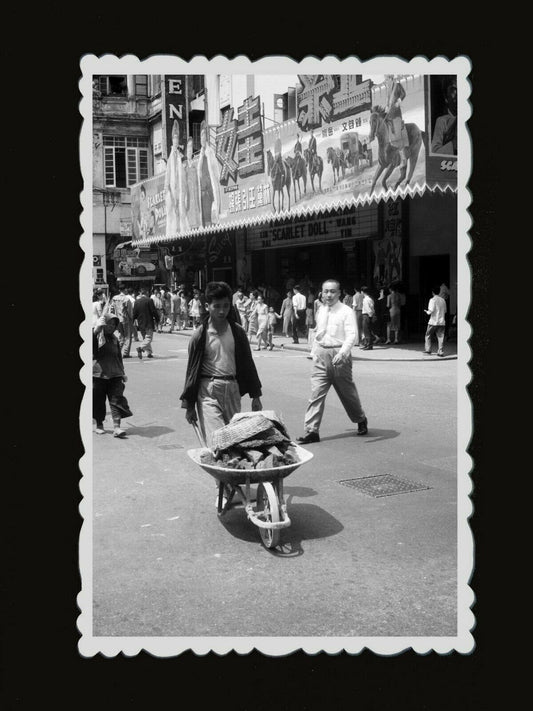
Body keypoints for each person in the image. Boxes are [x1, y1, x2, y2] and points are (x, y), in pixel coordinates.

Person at [180, 281, 263, 448]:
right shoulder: (199, 336)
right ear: (207, 306)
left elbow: (248, 364)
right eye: (216, 306)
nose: (222, 311)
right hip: (208, 390)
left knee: (233, 441)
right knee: (217, 441)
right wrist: (189, 405)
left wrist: (256, 396)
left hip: (233, 389)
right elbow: (192, 371)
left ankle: (231, 473)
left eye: (226, 306)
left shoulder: (237, 331)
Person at [296, 279, 368, 444]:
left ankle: (360, 418)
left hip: (339, 355)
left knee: (347, 394)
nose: (328, 295)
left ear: (339, 293)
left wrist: (343, 353)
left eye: (332, 291)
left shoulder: (346, 311)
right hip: (321, 355)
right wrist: (314, 353)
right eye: (326, 291)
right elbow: (318, 332)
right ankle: (311, 431)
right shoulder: (320, 310)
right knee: (315, 394)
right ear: (321, 292)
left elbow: (352, 335)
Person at [93, 312, 133, 438]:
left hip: (115, 374)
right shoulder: (98, 337)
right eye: (109, 324)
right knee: (98, 401)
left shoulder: (115, 339)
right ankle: (99, 425)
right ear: (104, 324)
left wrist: (122, 372)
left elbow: (118, 357)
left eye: (114, 324)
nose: (111, 326)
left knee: (117, 400)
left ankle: (117, 427)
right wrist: (95, 331)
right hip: (98, 375)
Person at [165, 120, 187, 238]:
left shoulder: (181, 156)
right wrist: (168, 191)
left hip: (181, 189)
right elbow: (167, 178)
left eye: (177, 139)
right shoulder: (170, 159)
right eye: (174, 139)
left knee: (182, 212)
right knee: (173, 213)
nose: (176, 141)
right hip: (172, 191)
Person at [197, 120, 220, 227]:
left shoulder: (211, 153)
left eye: (203, 135)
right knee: (206, 220)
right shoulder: (200, 157)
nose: (202, 138)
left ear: (206, 137)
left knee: (214, 219)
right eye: (200, 136)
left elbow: (216, 173)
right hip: (203, 194)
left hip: (211, 192)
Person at [384, 74, 408, 171]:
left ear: (391, 78)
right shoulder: (389, 89)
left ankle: (404, 159)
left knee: (397, 137)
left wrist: (399, 101)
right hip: (389, 115)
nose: (385, 81)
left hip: (397, 115)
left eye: (386, 79)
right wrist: (386, 107)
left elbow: (403, 94)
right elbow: (388, 101)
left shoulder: (397, 85)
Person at [431, 78, 457, 155]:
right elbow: (435, 153)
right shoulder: (442, 121)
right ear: (446, 97)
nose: (458, 93)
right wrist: (454, 143)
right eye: (453, 89)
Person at [132, 287, 158, 359]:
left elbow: (134, 313)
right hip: (148, 322)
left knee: (145, 338)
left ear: (140, 293)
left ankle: (149, 353)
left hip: (140, 323)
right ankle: (140, 348)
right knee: (149, 338)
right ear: (147, 293)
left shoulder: (136, 302)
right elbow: (153, 311)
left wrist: (132, 321)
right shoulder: (149, 300)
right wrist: (157, 319)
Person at [423, 285, 447, 356]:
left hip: (433, 321)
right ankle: (440, 351)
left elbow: (431, 311)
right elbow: (445, 311)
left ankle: (428, 350)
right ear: (439, 292)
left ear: (432, 292)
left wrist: (426, 311)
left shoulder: (432, 300)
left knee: (428, 335)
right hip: (441, 321)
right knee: (440, 337)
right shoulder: (443, 300)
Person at [111, 284, 133, 357]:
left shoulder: (114, 298)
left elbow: (112, 309)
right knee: (128, 336)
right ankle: (126, 353)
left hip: (117, 319)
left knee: (121, 336)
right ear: (125, 290)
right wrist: (131, 319)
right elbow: (129, 311)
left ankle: (118, 350)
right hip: (125, 319)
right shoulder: (126, 299)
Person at [183, 136, 201, 229]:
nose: (189, 150)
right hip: (188, 200)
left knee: (198, 225)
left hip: (196, 199)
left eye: (191, 147)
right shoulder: (183, 167)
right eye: (188, 148)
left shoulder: (195, 165)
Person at [360, 286, 375, 351]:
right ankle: (368, 344)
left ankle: (368, 344)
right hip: (369, 315)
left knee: (366, 330)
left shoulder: (365, 300)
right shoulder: (370, 299)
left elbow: (367, 309)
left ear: (363, 292)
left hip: (366, 315)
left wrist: (369, 315)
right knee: (368, 329)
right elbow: (372, 308)